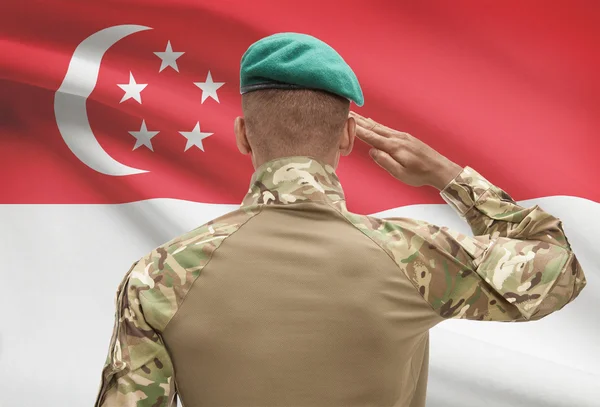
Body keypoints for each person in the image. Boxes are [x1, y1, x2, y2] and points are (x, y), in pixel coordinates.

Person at [94, 33, 587, 407]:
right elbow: (559, 267)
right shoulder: (415, 256)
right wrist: (447, 174)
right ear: (349, 136)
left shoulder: (158, 276)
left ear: (244, 135)